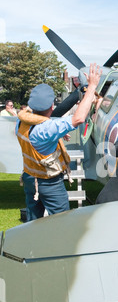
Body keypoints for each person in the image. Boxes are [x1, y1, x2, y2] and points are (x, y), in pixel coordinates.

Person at [16, 63, 101, 221]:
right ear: (51, 105)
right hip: (49, 183)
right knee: (62, 222)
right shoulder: (47, 129)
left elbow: (40, 120)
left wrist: (57, 134)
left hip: (29, 178)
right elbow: (79, 118)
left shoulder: (21, 122)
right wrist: (92, 87)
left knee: (33, 221)